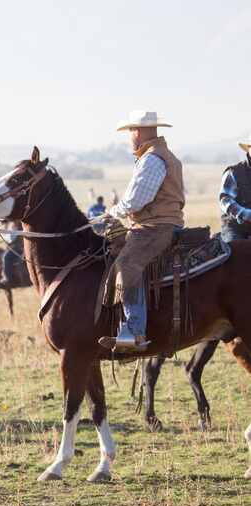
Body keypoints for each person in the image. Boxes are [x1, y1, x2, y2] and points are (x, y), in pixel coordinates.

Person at [99, 111, 185, 352]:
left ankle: (134, 331)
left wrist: (111, 212)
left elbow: (136, 200)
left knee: (127, 265)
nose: (129, 137)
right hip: (160, 223)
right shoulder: (162, 156)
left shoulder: (152, 159)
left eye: (130, 132)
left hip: (155, 227)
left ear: (138, 131)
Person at [218, 133, 251, 242]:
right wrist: (245, 214)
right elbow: (225, 200)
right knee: (235, 249)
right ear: (248, 149)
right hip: (235, 228)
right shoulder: (234, 172)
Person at [0, 221, 23, 286]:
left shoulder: (16, 224)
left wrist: (3, 235)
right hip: (15, 247)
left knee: (6, 257)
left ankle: (7, 277)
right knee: (2, 255)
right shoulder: (11, 224)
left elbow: (11, 239)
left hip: (18, 247)